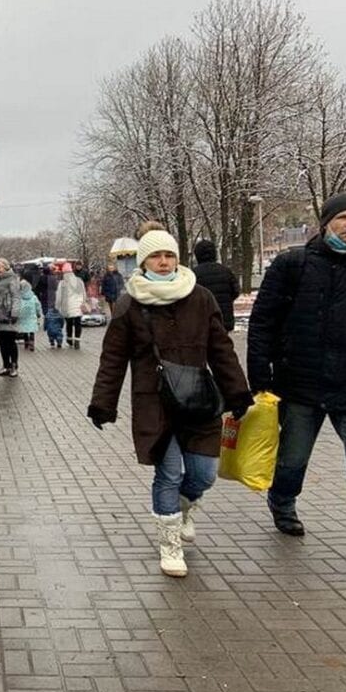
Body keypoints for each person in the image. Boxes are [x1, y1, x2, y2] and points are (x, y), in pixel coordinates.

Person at [247, 193, 346, 586]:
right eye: (344, 217)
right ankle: (282, 499)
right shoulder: (293, 265)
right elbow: (263, 320)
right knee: (292, 460)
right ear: (326, 222)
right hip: (301, 384)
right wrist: (260, 376)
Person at [88, 222, 252, 578]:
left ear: (178, 259)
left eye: (169, 255)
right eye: (155, 256)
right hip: (154, 403)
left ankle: (184, 505)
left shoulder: (201, 297)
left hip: (198, 399)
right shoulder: (130, 304)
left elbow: (221, 350)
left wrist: (238, 392)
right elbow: (113, 358)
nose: (163, 262)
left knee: (204, 474)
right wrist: (104, 402)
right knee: (168, 473)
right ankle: (170, 544)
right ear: (144, 262)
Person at [192, 239, 240, 332]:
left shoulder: (193, 275)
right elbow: (236, 291)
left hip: (202, 320)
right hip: (224, 318)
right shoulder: (225, 271)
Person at [0, 258, 21, 376]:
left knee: (10, 341)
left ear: (5, 268)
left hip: (9, 315)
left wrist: (14, 313)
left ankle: (14, 365)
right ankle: (6, 365)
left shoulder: (12, 279)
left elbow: (16, 297)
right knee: (2, 342)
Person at [55, 265, 86, 349]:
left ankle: (69, 339)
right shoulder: (79, 281)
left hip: (67, 306)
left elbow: (59, 296)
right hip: (78, 305)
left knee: (69, 323)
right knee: (78, 323)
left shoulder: (62, 283)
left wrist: (57, 306)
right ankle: (77, 340)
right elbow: (83, 292)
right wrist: (83, 302)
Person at [17, 277, 41, 352]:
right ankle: (32, 343)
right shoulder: (33, 297)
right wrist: (38, 313)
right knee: (31, 330)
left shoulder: (19, 297)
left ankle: (26, 342)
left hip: (22, 316)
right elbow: (37, 305)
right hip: (31, 316)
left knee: (24, 329)